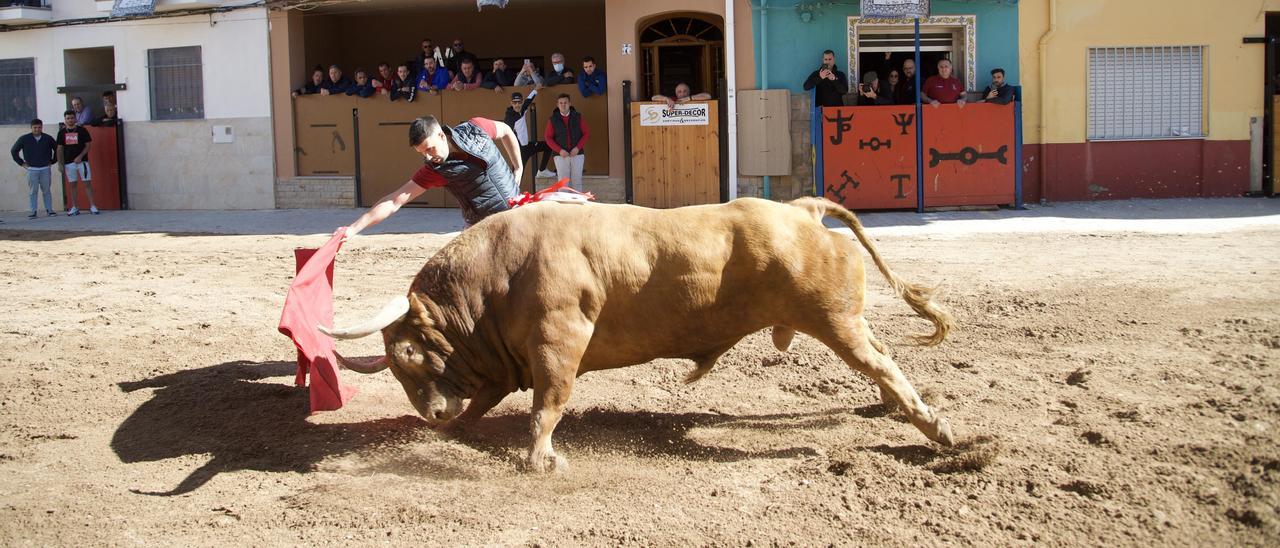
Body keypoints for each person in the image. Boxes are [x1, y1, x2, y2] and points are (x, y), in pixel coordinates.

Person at [344, 115, 523, 232]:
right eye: (422, 153)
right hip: (482, 228)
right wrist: (354, 228)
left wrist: (518, 167)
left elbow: (506, 130)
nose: (429, 157)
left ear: (442, 136)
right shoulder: (434, 171)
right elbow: (394, 200)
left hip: (518, 213)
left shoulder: (476, 128)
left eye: (430, 148)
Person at [10, 118, 58, 219]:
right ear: (31, 128)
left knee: (46, 190)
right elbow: (14, 150)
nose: (37, 129)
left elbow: (57, 149)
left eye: (39, 127)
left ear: (42, 127)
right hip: (32, 169)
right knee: (33, 191)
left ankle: (49, 210)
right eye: (35, 128)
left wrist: (53, 161)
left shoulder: (48, 138)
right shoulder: (24, 138)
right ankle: (33, 211)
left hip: (45, 168)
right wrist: (21, 163)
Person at [57, 110, 99, 216]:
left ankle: (93, 206)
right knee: (72, 185)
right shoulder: (61, 133)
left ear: (75, 118)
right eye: (68, 118)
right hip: (68, 163)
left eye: (72, 118)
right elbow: (59, 149)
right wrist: (60, 163)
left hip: (82, 162)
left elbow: (88, 145)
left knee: (87, 183)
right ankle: (75, 207)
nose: (70, 120)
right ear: (65, 120)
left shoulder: (82, 130)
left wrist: (80, 156)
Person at [544, 93, 588, 190]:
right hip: (560, 155)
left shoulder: (578, 116)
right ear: (557, 104)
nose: (563, 105)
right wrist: (559, 150)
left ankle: (578, 204)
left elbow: (586, 133)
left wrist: (577, 148)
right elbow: (548, 137)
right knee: (563, 182)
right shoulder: (553, 119)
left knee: (577, 181)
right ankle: (564, 204)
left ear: (569, 103)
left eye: (565, 103)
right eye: (561, 103)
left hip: (577, 154)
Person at [504, 90, 551, 179]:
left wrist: (536, 89)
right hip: (519, 151)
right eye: (514, 103)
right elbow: (506, 136)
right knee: (516, 176)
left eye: (519, 102)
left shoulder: (523, 108)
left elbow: (528, 99)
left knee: (548, 146)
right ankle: (512, 192)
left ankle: (542, 170)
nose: (517, 105)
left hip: (528, 146)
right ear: (511, 103)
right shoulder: (509, 118)